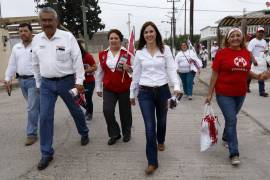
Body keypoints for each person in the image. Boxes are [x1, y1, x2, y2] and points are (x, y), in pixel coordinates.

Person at [32, 7, 89, 170]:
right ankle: (46, 153)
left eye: (50, 20)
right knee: (44, 117)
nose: (47, 23)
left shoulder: (67, 37)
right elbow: (35, 64)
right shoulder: (37, 40)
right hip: (46, 84)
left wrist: (79, 82)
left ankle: (84, 132)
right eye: (44, 20)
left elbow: (77, 60)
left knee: (75, 110)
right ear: (40, 22)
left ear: (56, 21)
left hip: (67, 82)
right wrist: (38, 84)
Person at [205, 28, 264, 166]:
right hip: (224, 93)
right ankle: (234, 153)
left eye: (238, 35)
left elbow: (246, 71)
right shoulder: (221, 54)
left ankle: (226, 136)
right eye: (232, 36)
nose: (235, 38)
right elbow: (214, 75)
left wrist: (259, 76)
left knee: (231, 119)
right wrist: (209, 94)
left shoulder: (246, 53)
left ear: (242, 38)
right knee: (232, 119)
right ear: (228, 39)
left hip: (240, 93)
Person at [130, 21, 182, 175]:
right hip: (145, 93)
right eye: (146, 32)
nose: (149, 34)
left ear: (156, 33)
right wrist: (132, 93)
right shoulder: (140, 53)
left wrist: (177, 87)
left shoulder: (164, 49)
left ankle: (161, 140)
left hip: (163, 91)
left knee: (162, 120)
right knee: (149, 126)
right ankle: (152, 161)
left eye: (151, 31)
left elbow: (172, 68)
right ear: (143, 35)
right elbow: (136, 75)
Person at [95, 29, 133, 146]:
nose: (113, 40)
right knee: (107, 111)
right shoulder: (103, 54)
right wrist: (98, 88)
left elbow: (136, 71)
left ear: (120, 40)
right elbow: (99, 72)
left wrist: (129, 69)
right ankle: (114, 133)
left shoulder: (127, 54)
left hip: (124, 88)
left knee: (125, 112)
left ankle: (127, 132)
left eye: (116, 38)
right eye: (111, 38)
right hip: (109, 88)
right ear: (108, 40)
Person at [4, 23, 39, 146]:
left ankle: (31, 134)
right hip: (22, 81)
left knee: (31, 107)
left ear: (31, 32)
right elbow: (12, 64)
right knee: (34, 106)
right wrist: (7, 78)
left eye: (25, 31)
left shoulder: (37, 45)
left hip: (34, 80)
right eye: (20, 31)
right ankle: (44, 120)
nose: (22, 33)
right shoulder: (16, 48)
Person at [77, 40, 97, 121]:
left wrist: (84, 71)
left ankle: (90, 113)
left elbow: (95, 67)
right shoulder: (72, 56)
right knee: (75, 96)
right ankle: (87, 109)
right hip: (78, 82)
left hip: (89, 82)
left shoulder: (87, 56)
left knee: (88, 98)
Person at [248, 27, 268, 97]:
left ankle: (262, 91)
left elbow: (265, 51)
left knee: (261, 74)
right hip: (253, 59)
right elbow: (249, 52)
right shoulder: (253, 41)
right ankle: (246, 86)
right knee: (250, 74)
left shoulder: (264, 42)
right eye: (259, 32)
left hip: (261, 60)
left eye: (262, 32)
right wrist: (253, 60)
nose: (260, 33)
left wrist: (266, 57)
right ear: (256, 33)